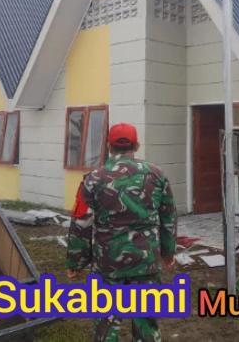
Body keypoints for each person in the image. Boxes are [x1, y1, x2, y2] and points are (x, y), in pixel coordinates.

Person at [66, 122, 177, 342]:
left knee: (106, 325)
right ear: (136, 145)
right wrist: (168, 253)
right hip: (146, 262)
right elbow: (168, 217)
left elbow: (81, 223)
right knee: (146, 324)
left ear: (109, 146)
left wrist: (76, 262)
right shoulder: (157, 175)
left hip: (107, 264)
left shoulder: (93, 179)